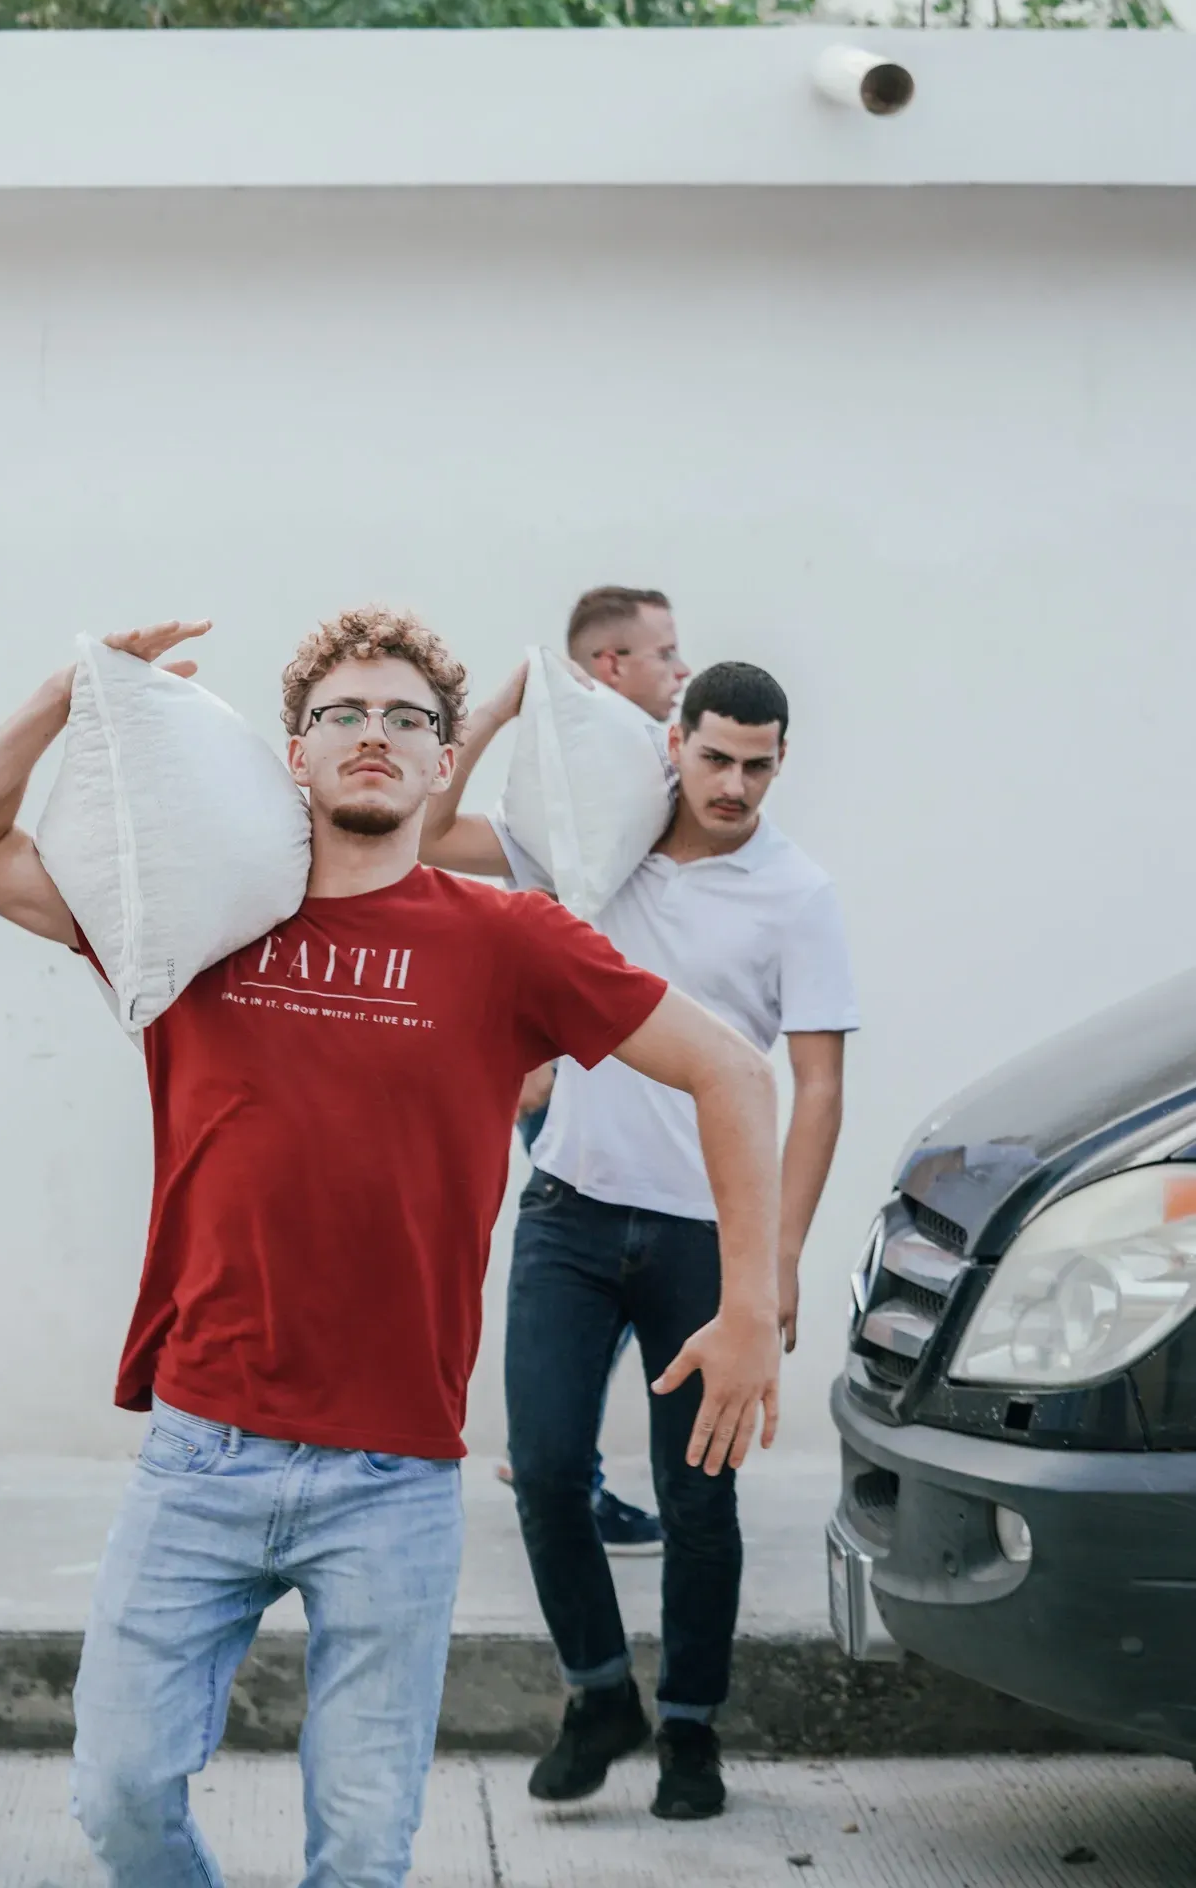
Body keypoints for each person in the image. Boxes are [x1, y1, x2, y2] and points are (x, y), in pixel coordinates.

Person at [0, 608, 783, 1888]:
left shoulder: (507, 940)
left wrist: (749, 1294)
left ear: (442, 760)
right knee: (119, 1792)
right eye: (345, 715)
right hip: (200, 1450)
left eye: (408, 718)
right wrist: (68, 688)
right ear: (295, 754)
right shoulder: (196, 914)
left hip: (395, 1478)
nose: (376, 734)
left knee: (363, 1851)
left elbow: (734, 1071)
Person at [421, 659, 857, 1822]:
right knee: (549, 1469)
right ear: (675, 741)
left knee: (697, 1496)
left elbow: (816, 1088)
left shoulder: (796, 893)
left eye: (759, 765)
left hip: (708, 1237)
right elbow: (421, 834)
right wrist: (501, 707)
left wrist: (775, 1263)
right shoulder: (594, 844)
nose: (736, 784)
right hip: (567, 1207)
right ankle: (600, 1690)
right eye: (716, 756)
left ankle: (694, 1731)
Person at [503, 584, 691, 1554]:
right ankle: (555, 1456)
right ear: (610, 666)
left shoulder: (621, 759)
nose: (682, 670)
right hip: (586, 1073)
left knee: (606, 1278)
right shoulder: (597, 763)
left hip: (628, 1069)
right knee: (594, 1274)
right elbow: (544, 909)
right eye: (665, 653)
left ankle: (553, 1449)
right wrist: (534, 1051)